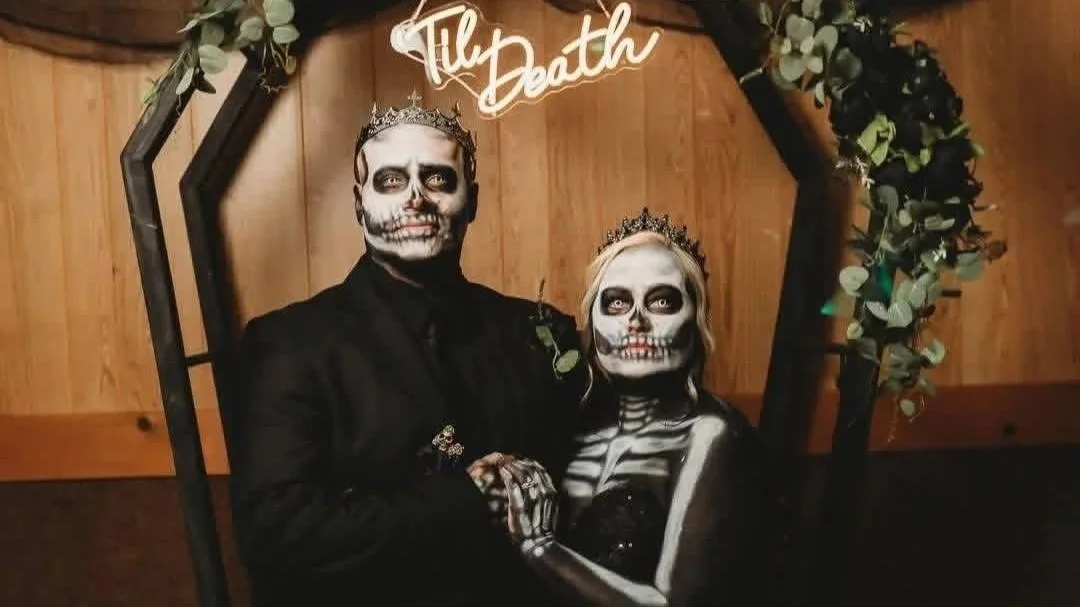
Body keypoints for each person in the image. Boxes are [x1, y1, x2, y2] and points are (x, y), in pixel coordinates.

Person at [228, 91, 585, 606]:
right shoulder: (291, 345)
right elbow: (277, 534)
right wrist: (466, 496)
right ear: (359, 203)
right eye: (390, 180)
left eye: (438, 178)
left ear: (473, 199)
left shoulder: (538, 329)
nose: (415, 197)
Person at [497, 208, 768, 607]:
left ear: (696, 321)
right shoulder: (572, 423)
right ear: (592, 323)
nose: (636, 321)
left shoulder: (711, 434)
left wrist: (540, 548)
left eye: (661, 301)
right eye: (617, 303)